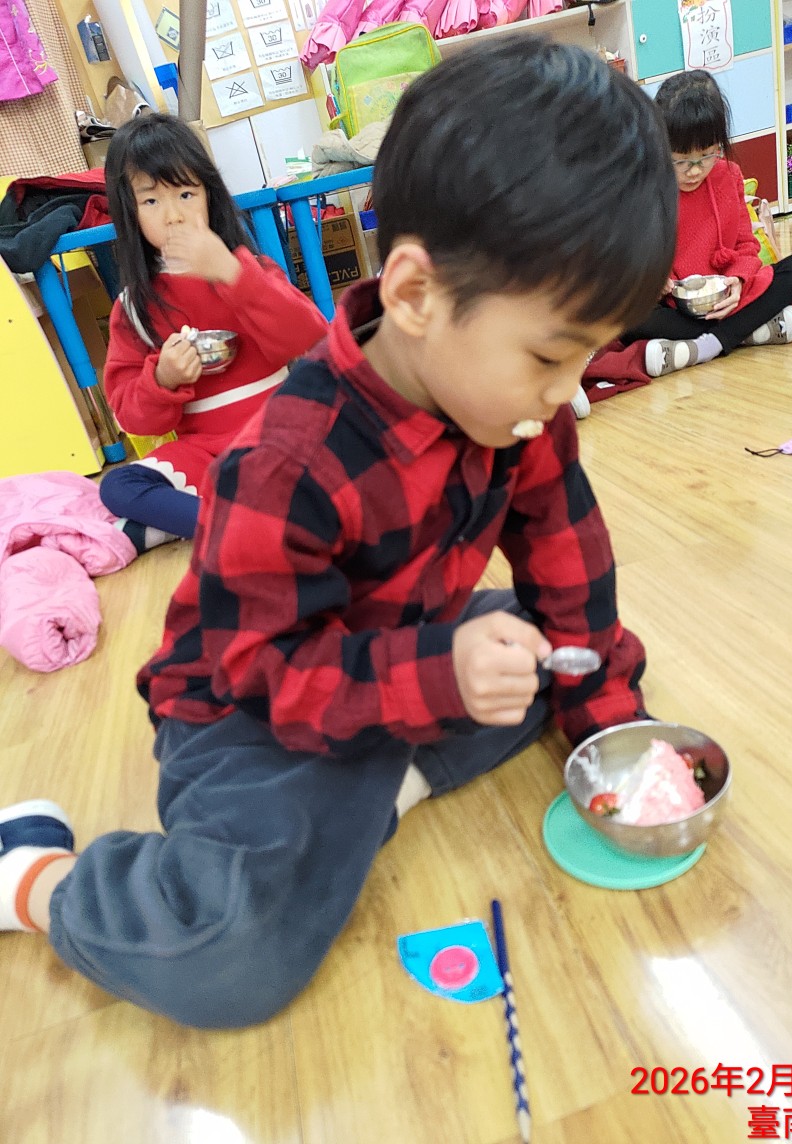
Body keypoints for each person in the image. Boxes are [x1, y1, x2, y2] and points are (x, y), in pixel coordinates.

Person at [0, 39, 677, 1029]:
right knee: (233, 953)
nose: (568, 391)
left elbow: (568, 559)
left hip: (394, 655)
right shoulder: (291, 460)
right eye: (548, 356)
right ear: (414, 295)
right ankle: (38, 876)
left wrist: (612, 735)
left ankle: (371, 791)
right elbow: (268, 673)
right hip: (245, 707)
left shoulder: (518, 411)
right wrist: (443, 678)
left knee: (570, 654)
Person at [97, 113, 327, 553]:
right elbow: (133, 417)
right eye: (151, 201)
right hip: (206, 454)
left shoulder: (251, 269)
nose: (174, 216)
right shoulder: (133, 308)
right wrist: (162, 379)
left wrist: (231, 272)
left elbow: (310, 337)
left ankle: (195, 523)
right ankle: (243, 525)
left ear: (209, 195)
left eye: (186, 194)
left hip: (283, 432)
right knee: (119, 487)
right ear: (130, 212)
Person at [623, 70, 792, 378]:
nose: (694, 170)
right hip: (677, 306)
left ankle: (707, 344)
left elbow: (746, 245)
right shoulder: (646, 187)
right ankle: (747, 332)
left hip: (729, 300)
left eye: (706, 156)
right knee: (628, 318)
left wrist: (738, 281)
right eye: (680, 159)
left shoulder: (729, 176)